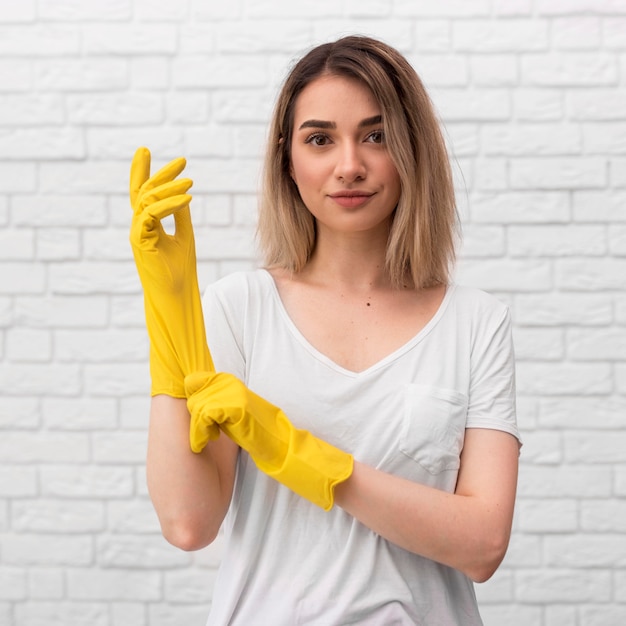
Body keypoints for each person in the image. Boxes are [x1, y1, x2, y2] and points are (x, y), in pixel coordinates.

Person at [129, 35, 521, 625]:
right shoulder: (239, 309)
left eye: (376, 135)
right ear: (288, 157)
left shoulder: (475, 324)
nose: (349, 166)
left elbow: (483, 544)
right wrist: (170, 312)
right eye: (320, 139)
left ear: (412, 149)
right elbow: (189, 523)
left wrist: (300, 456)